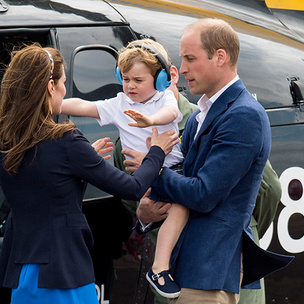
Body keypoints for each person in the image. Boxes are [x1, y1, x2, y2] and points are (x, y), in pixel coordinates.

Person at [0, 44, 179, 304]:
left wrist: (81, 166)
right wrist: (157, 153)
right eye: (62, 82)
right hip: (62, 273)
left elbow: (43, 184)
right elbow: (133, 188)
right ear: (51, 87)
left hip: (21, 272)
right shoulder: (66, 142)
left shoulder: (7, 140)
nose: (64, 88)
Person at [135, 18, 293, 304]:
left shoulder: (244, 115)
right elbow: (181, 179)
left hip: (208, 275)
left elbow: (204, 194)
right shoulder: (198, 116)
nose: (182, 69)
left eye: (190, 59)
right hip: (181, 273)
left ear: (221, 57)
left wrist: (153, 171)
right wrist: (147, 210)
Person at [61, 39, 190, 298]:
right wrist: (53, 105)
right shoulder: (120, 103)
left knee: (180, 209)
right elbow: (85, 106)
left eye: (138, 80)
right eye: (126, 78)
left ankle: (161, 266)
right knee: (177, 210)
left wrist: (149, 121)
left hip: (175, 172)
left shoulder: (164, 98)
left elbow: (170, 112)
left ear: (162, 79)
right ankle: (161, 267)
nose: (130, 86)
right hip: (147, 180)